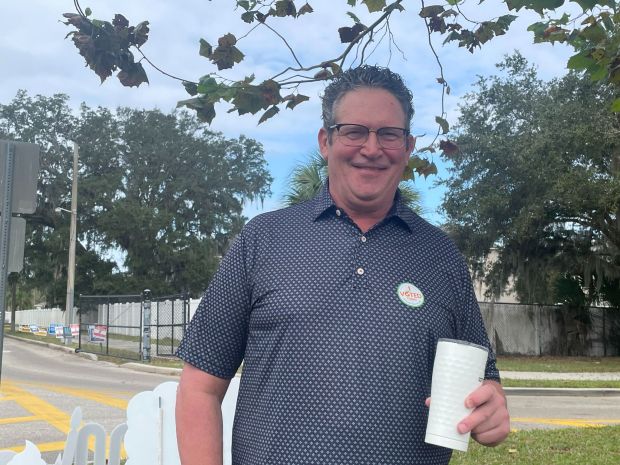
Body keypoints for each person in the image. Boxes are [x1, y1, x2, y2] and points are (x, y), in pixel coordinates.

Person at [175, 65, 510, 465]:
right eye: (354, 131)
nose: (372, 148)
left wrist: (491, 408)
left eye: (389, 134)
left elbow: (482, 380)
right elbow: (200, 387)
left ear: (408, 146)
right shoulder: (262, 240)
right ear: (325, 140)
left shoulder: (442, 257)